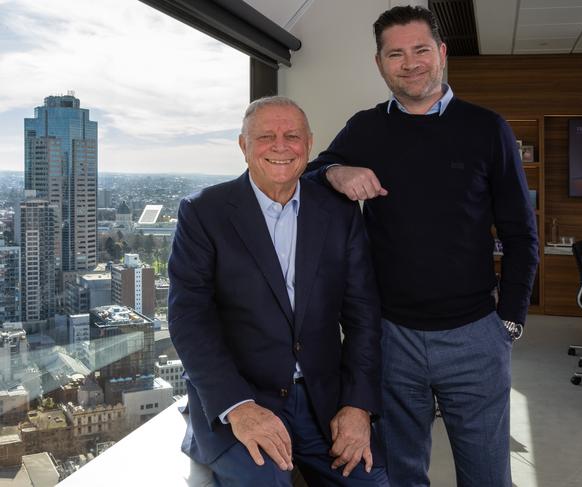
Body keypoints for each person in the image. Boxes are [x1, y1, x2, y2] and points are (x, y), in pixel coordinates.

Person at [305, 6, 539, 487]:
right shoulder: (366, 128)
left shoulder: (487, 128)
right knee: (400, 473)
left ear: (442, 53)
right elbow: (310, 176)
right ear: (380, 63)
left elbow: (520, 232)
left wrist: (509, 320)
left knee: (488, 476)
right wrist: (338, 171)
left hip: (475, 334)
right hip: (391, 338)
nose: (410, 63)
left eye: (420, 50)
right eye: (396, 54)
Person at [168, 96, 390, 487]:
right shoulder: (204, 212)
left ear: (309, 143)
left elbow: (363, 316)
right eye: (266, 136)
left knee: (373, 482)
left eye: (292, 135)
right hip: (243, 396)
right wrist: (237, 407)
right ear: (243, 146)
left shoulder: (338, 213)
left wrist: (358, 404)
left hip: (324, 399)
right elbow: (189, 320)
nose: (281, 146)